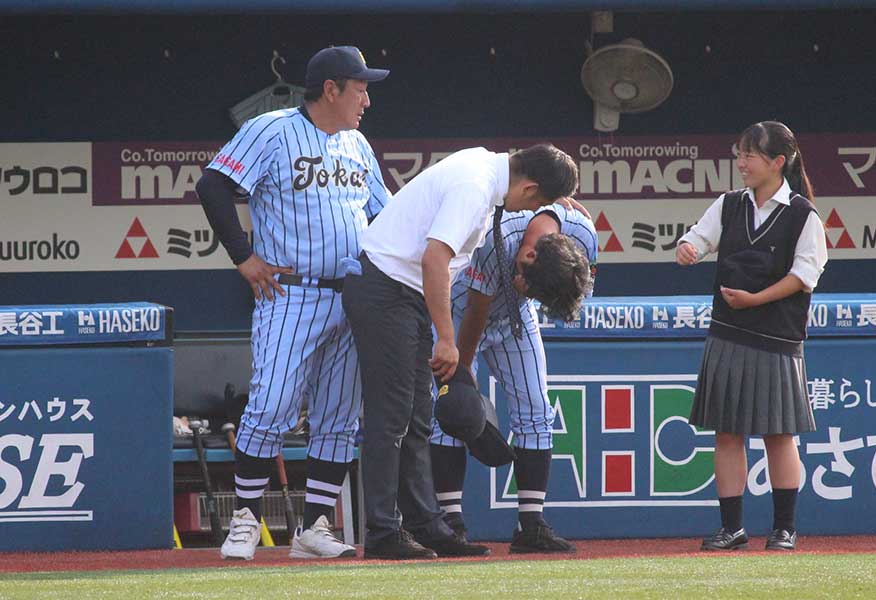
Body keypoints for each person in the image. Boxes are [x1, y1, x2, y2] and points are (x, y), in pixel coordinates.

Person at [195, 45, 391, 560]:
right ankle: (245, 520)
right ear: (331, 89)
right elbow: (213, 184)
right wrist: (243, 256)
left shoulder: (358, 144)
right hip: (292, 292)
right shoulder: (274, 129)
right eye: (360, 87)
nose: (366, 99)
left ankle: (314, 529)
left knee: (339, 418)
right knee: (271, 405)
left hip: (351, 295)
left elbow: (387, 215)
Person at [341, 143, 579, 560]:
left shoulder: (484, 169)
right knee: (391, 416)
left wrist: (556, 207)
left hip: (401, 291)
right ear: (531, 187)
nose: (533, 208)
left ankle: (425, 526)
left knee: (415, 417)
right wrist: (447, 339)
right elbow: (436, 258)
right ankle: (382, 530)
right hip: (386, 288)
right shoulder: (476, 184)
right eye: (538, 201)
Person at [675, 121, 827, 551]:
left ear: (778, 162)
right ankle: (733, 528)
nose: (741, 163)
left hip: (776, 338)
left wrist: (756, 299)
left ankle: (784, 528)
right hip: (728, 332)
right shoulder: (728, 205)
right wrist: (687, 249)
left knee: (778, 435)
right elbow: (696, 240)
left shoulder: (803, 214)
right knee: (727, 432)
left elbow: (804, 276)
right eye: (738, 154)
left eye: (750, 155)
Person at [429, 203, 597, 553]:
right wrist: (463, 380)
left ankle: (531, 526)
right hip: (462, 310)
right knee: (453, 410)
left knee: (537, 410)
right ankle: (450, 522)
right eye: (525, 276)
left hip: (516, 318)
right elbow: (478, 309)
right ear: (530, 252)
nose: (524, 284)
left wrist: (535, 296)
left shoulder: (582, 233)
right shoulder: (500, 237)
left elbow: (580, 283)